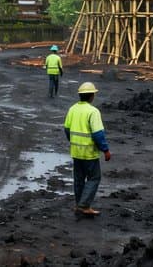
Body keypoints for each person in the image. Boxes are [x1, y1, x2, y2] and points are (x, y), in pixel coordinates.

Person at [64, 82, 111, 216]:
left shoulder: (73, 109)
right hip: (89, 152)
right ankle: (84, 205)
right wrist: (105, 150)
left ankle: (78, 204)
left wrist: (73, 141)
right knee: (94, 178)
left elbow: (67, 129)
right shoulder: (93, 112)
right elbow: (98, 134)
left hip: (76, 151)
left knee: (79, 179)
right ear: (91, 96)